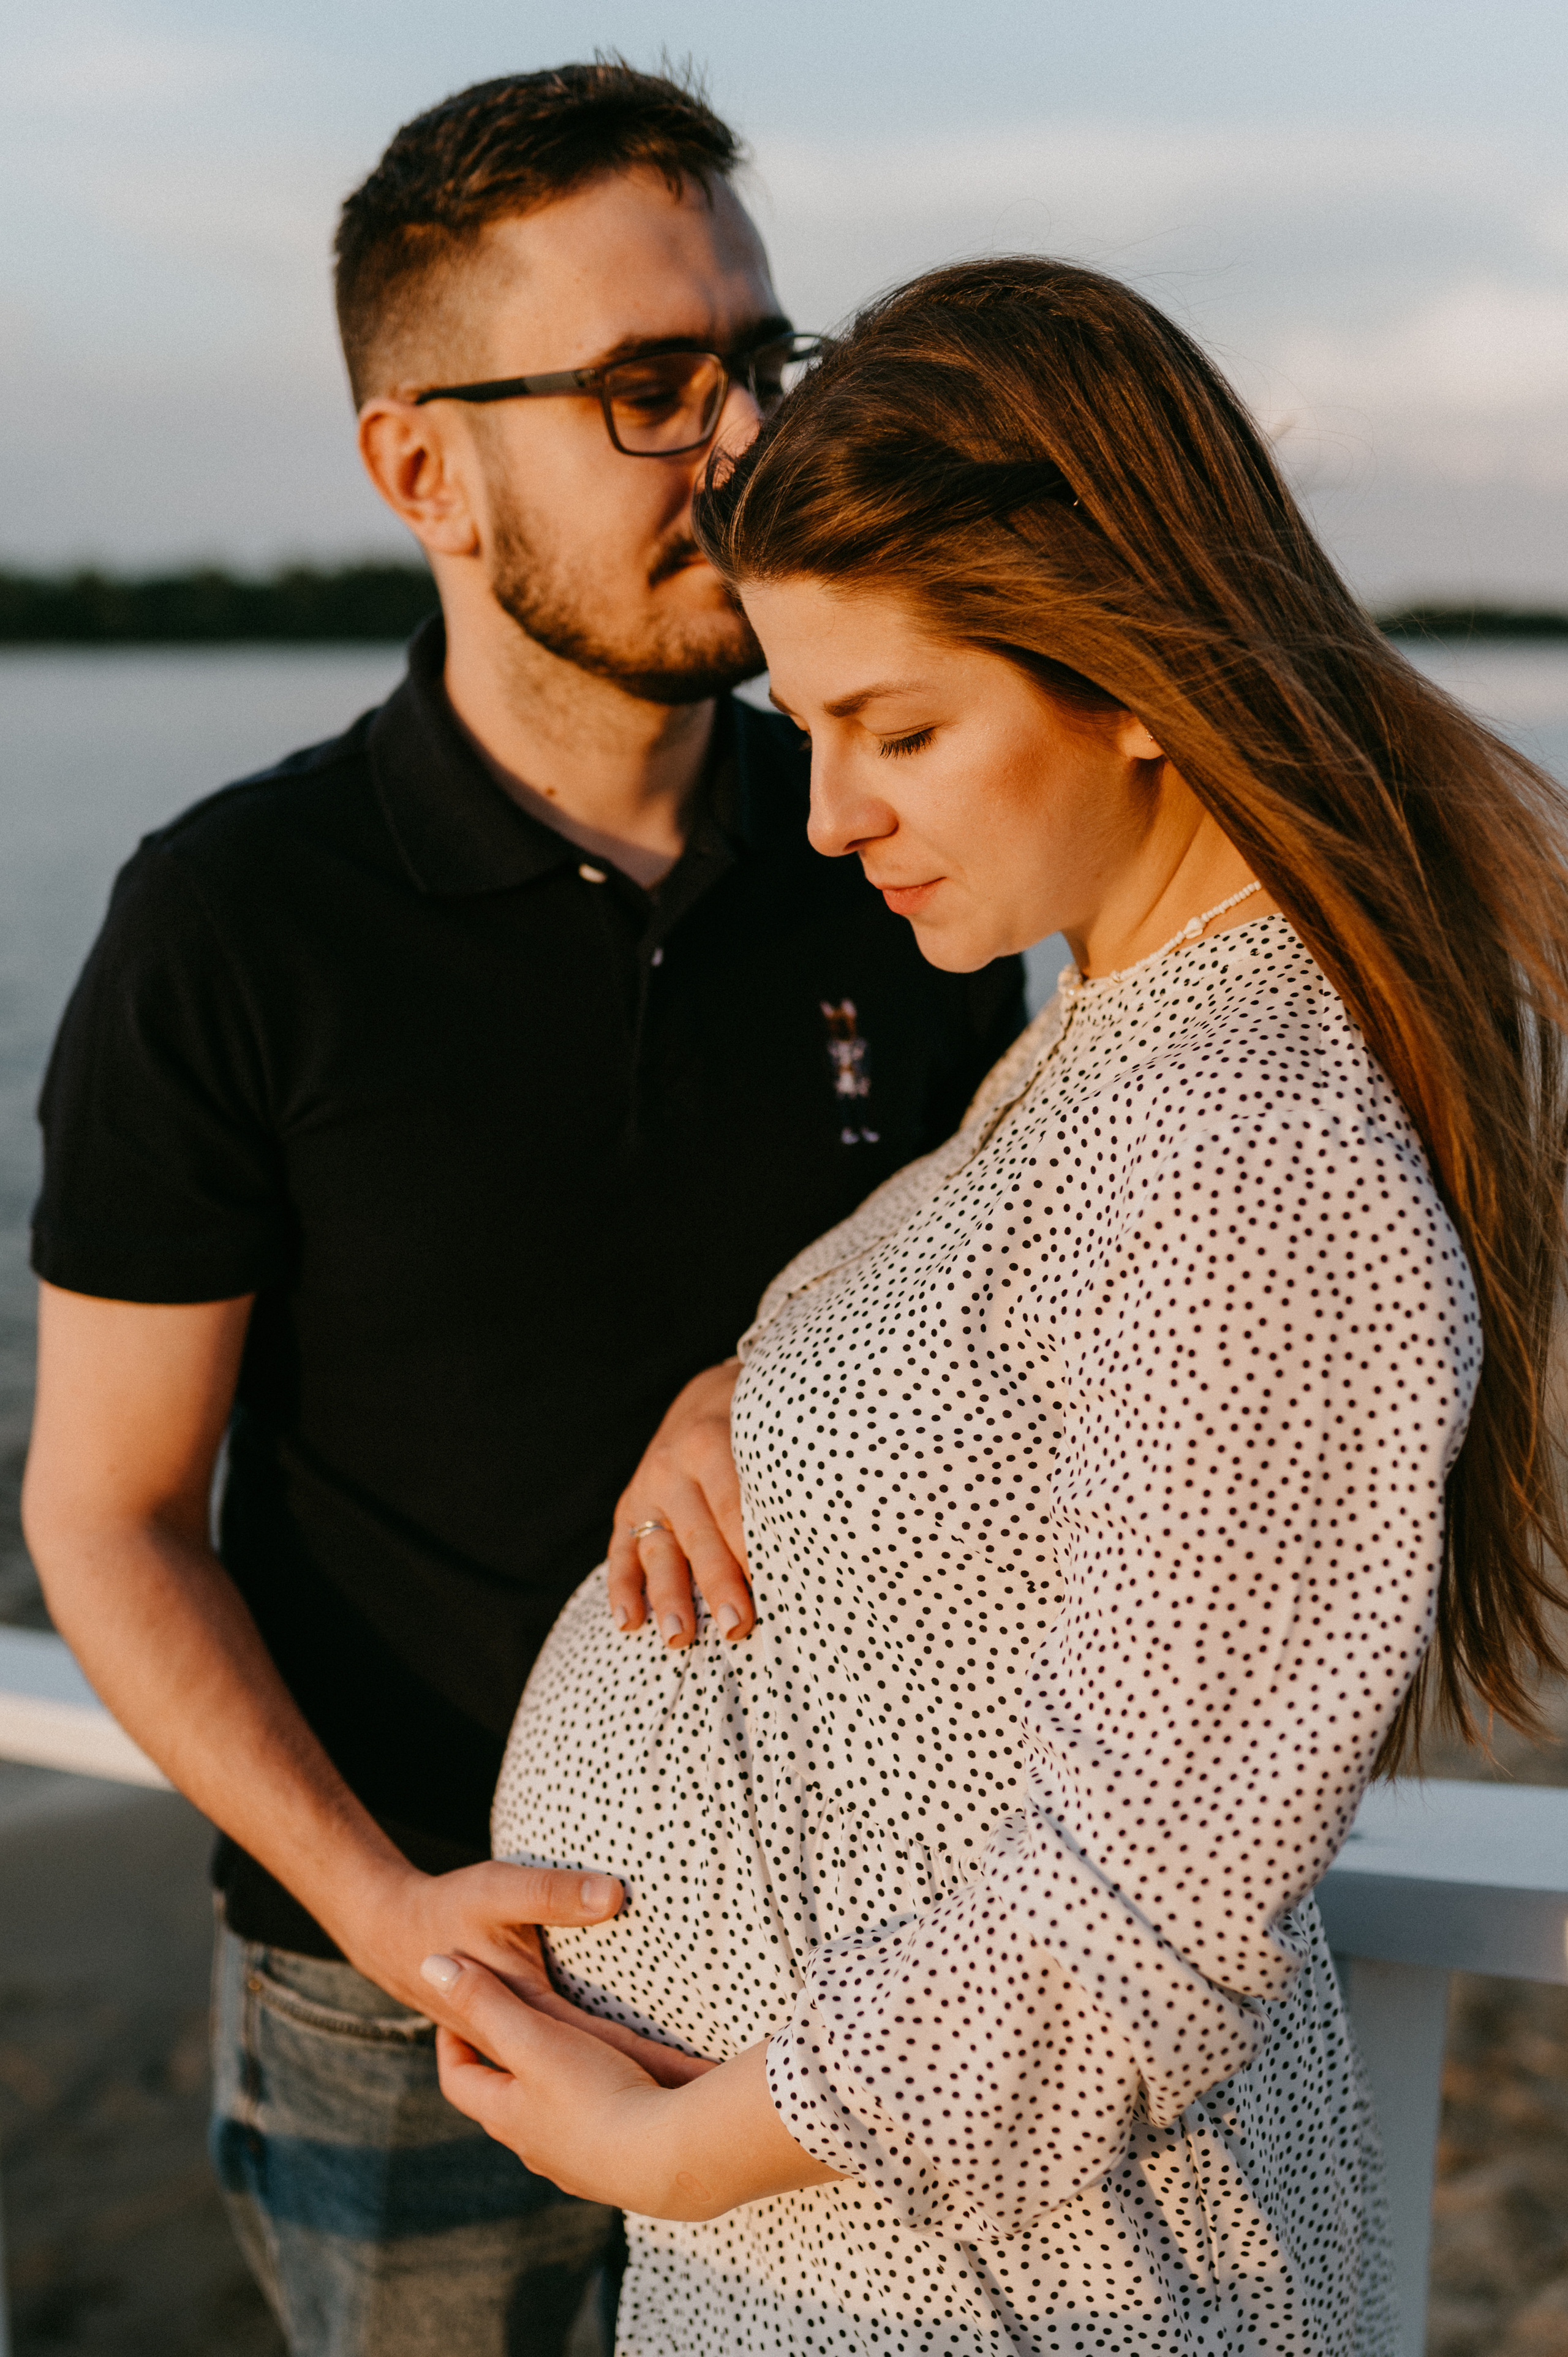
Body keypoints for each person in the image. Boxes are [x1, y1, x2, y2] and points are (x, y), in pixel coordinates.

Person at [418, 257, 1568, 2356]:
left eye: (903, 730)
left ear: (1134, 672)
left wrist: (666, 2148)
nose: (831, 816)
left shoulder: (1251, 1146)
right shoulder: (1125, 1032)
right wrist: (747, 1385)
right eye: (808, 732)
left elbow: (1136, 1926)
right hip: (879, 2253)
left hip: (998, 2290)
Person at [18, 73, 1023, 2357]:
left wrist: (763, 1368)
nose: (742, 446)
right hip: (416, 2015)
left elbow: (1010, 1324)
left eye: (760, 362)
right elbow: (110, 1513)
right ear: (421, 471)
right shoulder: (234, 922)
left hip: (832, 1983)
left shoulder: (900, 851)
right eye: (646, 386)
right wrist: (386, 1911)